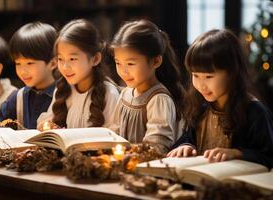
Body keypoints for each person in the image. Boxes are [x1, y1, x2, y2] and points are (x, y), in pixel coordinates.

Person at [167, 29, 273, 169]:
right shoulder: (202, 106)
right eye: (195, 75)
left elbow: (268, 157)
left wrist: (236, 153)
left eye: (208, 77)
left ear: (232, 73)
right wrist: (185, 145)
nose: (201, 85)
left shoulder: (254, 111)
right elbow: (189, 137)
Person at [110, 19, 186, 155]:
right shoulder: (125, 94)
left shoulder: (159, 99)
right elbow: (115, 133)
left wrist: (129, 154)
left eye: (131, 64)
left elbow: (157, 146)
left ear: (156, 61)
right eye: (118, 63)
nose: (123, 71)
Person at [37, 19, 119, 130]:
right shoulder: (62, 89)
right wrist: (46, 126)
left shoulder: (109, 93)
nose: (65, 67)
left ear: (95, 59)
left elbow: (114, 135)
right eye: (60, 59)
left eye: (72, 59)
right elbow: (48, 122)